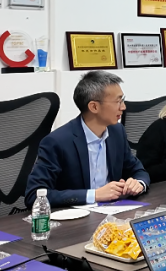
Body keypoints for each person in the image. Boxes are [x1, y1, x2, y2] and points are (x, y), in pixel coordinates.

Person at [24, 71, 149, 208]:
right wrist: (94, 195)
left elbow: (138, 170)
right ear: (94, 107)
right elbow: (34, 195)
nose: (123, 107)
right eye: (118, 101)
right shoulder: (57, 142)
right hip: (75, 216)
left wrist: (138, 183)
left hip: (112, 212)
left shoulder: (117, 132)